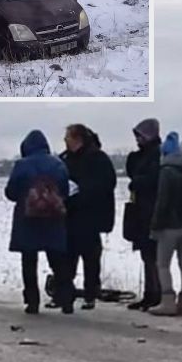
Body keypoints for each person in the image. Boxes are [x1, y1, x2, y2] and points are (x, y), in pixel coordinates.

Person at [4, 130, 73, 315]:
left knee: (29, 261)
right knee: (58, 261)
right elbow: (65, 190)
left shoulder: (21, 165)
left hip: (27, 219)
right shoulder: (58, 163)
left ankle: (32, 302)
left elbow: (11, 192)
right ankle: (67, 299)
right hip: (54, 218)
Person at [59, 124, 117, 310]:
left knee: (90, 259)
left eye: (68, 137)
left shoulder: (98, 158)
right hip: (69, 216)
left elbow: (107, 184)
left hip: (90, 217)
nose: (65, 140)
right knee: (67, 258)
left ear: (78, 139)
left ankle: (90, 294)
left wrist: (81, 191)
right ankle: (64, 294)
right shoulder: (64, 159)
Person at [148, 132, 182, 316]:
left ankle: (168, 302)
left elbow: (162, 202)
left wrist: (154, 226)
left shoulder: (166, 171)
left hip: (169, 226)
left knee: (163, 264)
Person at [123, 118, 161, 310]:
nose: (137, 140)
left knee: (153, 255)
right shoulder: (143, 156)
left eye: (140, 136)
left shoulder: (156, 156)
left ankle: (156, 293)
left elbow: (152, 180)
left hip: (151, 211)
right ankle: (151, 292)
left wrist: (137, 182)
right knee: (147, 255)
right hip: (142, 211)